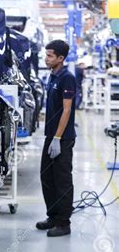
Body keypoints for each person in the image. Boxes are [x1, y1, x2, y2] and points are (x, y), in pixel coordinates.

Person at [36, 40, 76, 237]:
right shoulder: (52, 76)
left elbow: (67, 110)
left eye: (50, 55)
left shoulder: (67, 78)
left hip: (63, 138)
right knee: (47, 177)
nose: (46, 58)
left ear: (61, 58)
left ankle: (63, 223)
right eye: (46, 55)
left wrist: (58, 138)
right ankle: (53, 216)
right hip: (50, 136)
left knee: (62, 180)